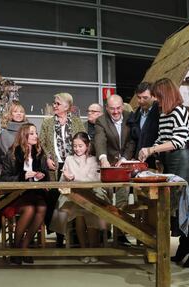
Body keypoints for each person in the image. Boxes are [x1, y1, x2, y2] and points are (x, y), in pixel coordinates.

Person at [138, 78, 189, 268]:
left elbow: (177, 141)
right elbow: (162, 137)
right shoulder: (164, 113)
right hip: (170, 161)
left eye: (159, 97)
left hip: (183, 160)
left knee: (188, 203)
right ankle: (184, 245)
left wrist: (152, 150)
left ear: (166, 95)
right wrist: (148, 149)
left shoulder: (179, 111)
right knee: (176, 206)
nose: (157, 101)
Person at [50, 132, 109, 263]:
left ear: (87, 146)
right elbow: (61, 183)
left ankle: (93, 249)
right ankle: (84, 249)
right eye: (75, 146)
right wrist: (66, 178)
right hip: (73, 195)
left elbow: (94, 180)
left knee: (92, 211)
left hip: (92, 193)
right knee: (79, 214)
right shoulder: (69, 159)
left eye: (80, 146)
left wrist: (75, 178)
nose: (77, 149)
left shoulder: (94, 159)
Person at [39, 92, 85, 247]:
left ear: (67, 106)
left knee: (73, 201)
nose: (54, 105)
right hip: (55, 167)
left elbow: (84, 142)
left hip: (73, 167)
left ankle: (75, 236)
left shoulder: (77, 122)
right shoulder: (47, 123)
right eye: (54, 103)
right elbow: (42, 144)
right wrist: (48, 158)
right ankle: (59, 236)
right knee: (56, 202)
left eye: (57, 103)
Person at [0, 123, 48, 265]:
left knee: (43, 207)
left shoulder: (40, 153)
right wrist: (23, 175)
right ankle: (16, 250)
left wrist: (41, 175)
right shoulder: (12, 153)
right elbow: (4, 178)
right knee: (29, 209)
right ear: (24, 135)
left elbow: (46, 174)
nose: (35, 136)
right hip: (16, 195)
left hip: (35, 193)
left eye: (36, 133)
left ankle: (23, 247)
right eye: (32, 133)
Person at [94, 94, 135, 245]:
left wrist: (124, 158)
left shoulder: (130, 117)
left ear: (122, 107)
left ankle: (120, 233)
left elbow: (132, 140)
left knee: (123, 198)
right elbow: (99, 140)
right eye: (112, 109)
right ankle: (105, 232)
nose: (116, 112)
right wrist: (103, 158)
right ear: (107, 108)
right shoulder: (101, 120)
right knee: (106, 198)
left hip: (125, 163)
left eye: (118, 108)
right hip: (108, 165)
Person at [127, 82, 160, 169]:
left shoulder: (160, 112)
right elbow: (134, 139)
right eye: (139, 97)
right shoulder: (136, 114)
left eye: (145, 98)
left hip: (157, 162)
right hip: (141, 163)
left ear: (153, 96)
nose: (141, 101)